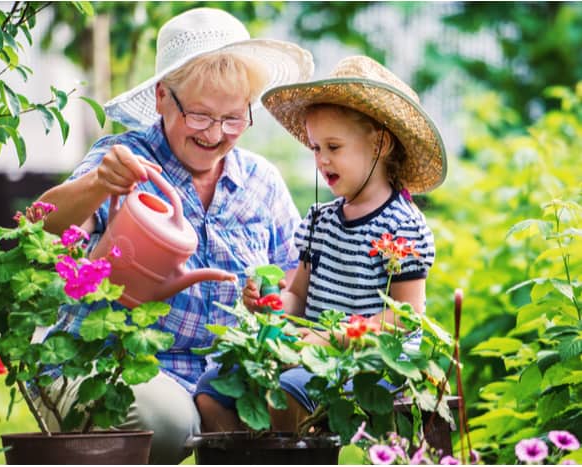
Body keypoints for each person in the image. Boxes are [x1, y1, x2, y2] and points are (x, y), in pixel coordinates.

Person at [29, 7, 314, 464]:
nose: (216, 134)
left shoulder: (262, 183)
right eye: (200, 116)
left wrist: (274, 301)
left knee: (292, 398)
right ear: (163, 97)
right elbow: (41, 226)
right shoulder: (122, 160)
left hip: (220, 377)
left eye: (234, 119)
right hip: (114, 362)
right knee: (165, 423)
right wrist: (99, 184)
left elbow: (292, 287)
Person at [194, 55, 447, 432]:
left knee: (286, 391)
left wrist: (336, 336)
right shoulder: (320, 221)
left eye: (333, 146)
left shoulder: (402, 226)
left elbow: (404, 318)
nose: (322, 160)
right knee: (211, 389)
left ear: (380, 144)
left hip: (369, 364)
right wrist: (271, 305)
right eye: (315, 148)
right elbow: (299, 296)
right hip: (310, 354)